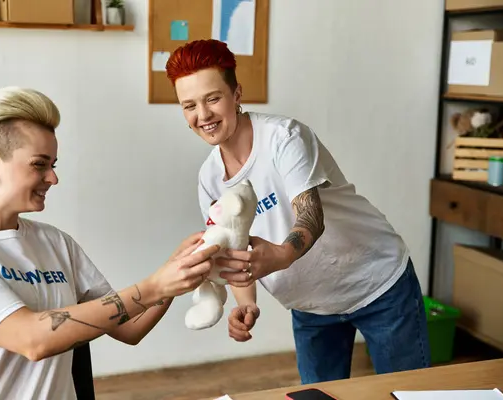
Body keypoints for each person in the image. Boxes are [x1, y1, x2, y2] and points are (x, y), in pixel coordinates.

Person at [0, 86, 219, 400]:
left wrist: (178, 273)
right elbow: (32, 339)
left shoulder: (55, 242)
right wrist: (155, 286)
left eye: (53, 165)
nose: (53, 178)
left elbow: (130, 328)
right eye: (39, 164)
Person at [165, 39, 431, 384]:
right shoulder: (209, 178)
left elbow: (310, 216)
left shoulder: (284, 138)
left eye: (212, 98)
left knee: (408, 393)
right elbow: (235, 248)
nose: (203, 115)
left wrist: (280, 255)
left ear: (236, 94)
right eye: (189, 106)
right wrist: (247, 303)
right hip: (311, 307)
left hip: (378, 284)